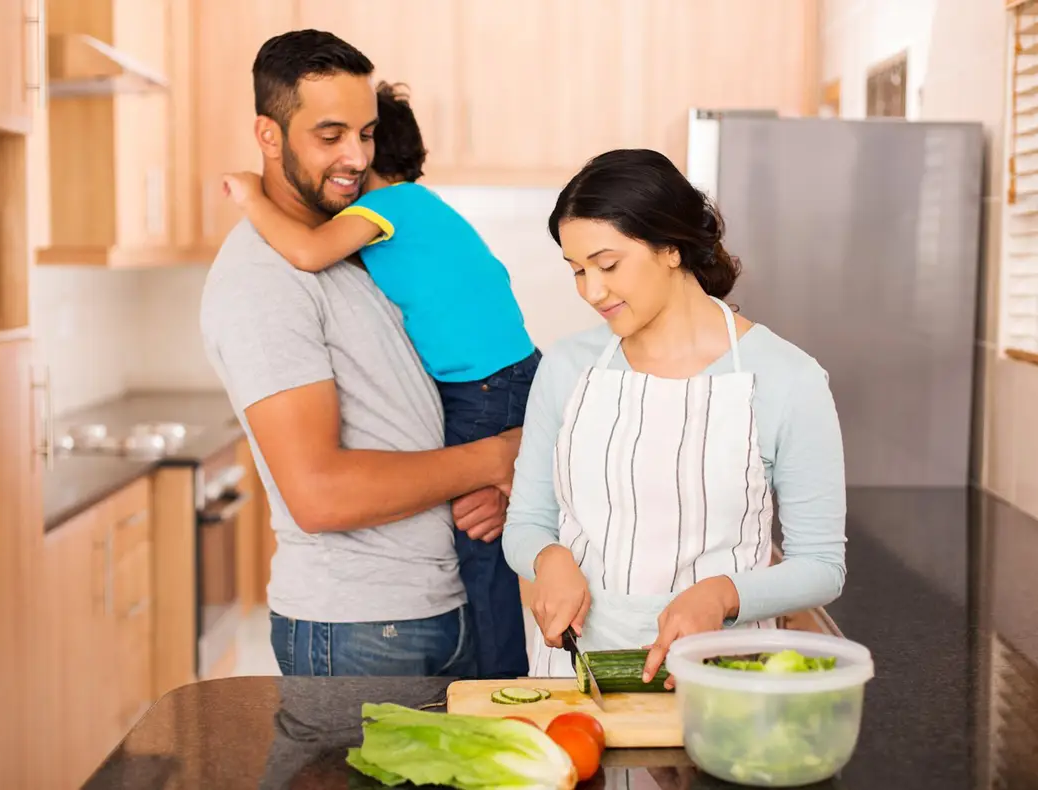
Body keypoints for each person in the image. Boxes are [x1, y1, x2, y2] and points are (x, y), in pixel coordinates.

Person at [200, 29, 520, 678]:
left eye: (367, 134)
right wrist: (495, 456)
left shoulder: (362, 244)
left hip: (434, 606)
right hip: (360, 630)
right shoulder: (263, 278)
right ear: (269, 136)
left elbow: (412, 415)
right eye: (330, 135)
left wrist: (494, 482)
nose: (354, 155)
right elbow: (319, 494)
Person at [502, 149, 847, 684]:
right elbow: (526, 522)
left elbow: (822, 566)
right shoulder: (567, 368)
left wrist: (723, 594)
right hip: (570, 673)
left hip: (717, 676)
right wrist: (548, 558)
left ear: (670, 247)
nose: (592, 291)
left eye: (608, 264)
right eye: (577, 271)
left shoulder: (788, 379)